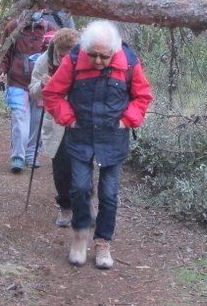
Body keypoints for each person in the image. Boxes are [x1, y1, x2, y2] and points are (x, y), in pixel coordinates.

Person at [43, 20, 153, 269]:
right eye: (92, 55)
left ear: (113, 51)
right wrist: (68, 119)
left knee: (109, 194)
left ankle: (103, 243)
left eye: (103, 56)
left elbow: (143, 96)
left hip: (113, 137)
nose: (98, 61)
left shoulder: (128, 62)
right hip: (80, 135)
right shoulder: (73, 61)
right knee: (80, 188)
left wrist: (128, 120)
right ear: (85, 48)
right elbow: (52, 94)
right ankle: (80, 236)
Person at [28, 27, 81, 226]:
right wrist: (43, 85)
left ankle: (84, 204)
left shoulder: (85, 57)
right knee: (61, 164)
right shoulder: (44, 61)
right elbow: (32, 91)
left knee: (83, 162)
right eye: (62, 55)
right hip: (57, 118)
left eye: (70, 55)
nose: (66, 59)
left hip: (81, 116)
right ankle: (66, 207)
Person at [0, 10, 57, 173]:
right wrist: (0, 71)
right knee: (19, 118)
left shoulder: (50, 28)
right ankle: (18, 157)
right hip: (18, 81)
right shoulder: (13, 27)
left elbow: (57, 56)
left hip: (41, 83)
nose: (33, 11)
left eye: (37, 7)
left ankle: (31, 155)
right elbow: (4, 53)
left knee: (37, 120)